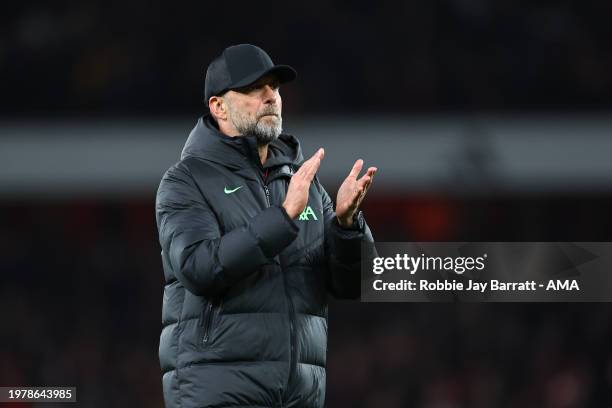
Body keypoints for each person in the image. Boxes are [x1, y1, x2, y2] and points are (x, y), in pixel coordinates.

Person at [155, 44, 377, 408]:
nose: (270, 96)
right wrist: (283, 217)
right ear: (218, 106)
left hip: (298, 396)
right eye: (253, 88)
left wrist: (347, 225)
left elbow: (353, 285)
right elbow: (198, 267)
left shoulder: (301, 181)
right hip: (218, 391)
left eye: (274, 87)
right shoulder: (185, 181)